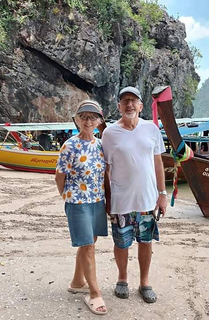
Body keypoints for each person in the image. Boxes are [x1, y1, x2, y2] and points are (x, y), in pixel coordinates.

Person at [102, 86, 167, 304]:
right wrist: (108, 199)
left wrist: (163, 194)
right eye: (125, 101)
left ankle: (145, 282)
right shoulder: (109, 133)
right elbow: (107, 169)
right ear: (119, 106)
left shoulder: (152, 129)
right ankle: (122, 279)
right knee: (121, 242)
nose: (129, 104)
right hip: (121, 199)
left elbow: (158, 163)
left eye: (133, 100)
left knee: (145, 241)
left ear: (140, 105)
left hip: (147, 199)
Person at [55, 99, 108, 316]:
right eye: (84, 117)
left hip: (97, 201)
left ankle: (77, 282)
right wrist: (67, 197)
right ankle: (95, 294)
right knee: (88, 246)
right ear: (77, 120)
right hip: (77, 202)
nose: (88, 121)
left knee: (89, 242)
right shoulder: (70, 145)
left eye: (92, 117)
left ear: (99, 121)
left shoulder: (100, 145)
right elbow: (60, 176)